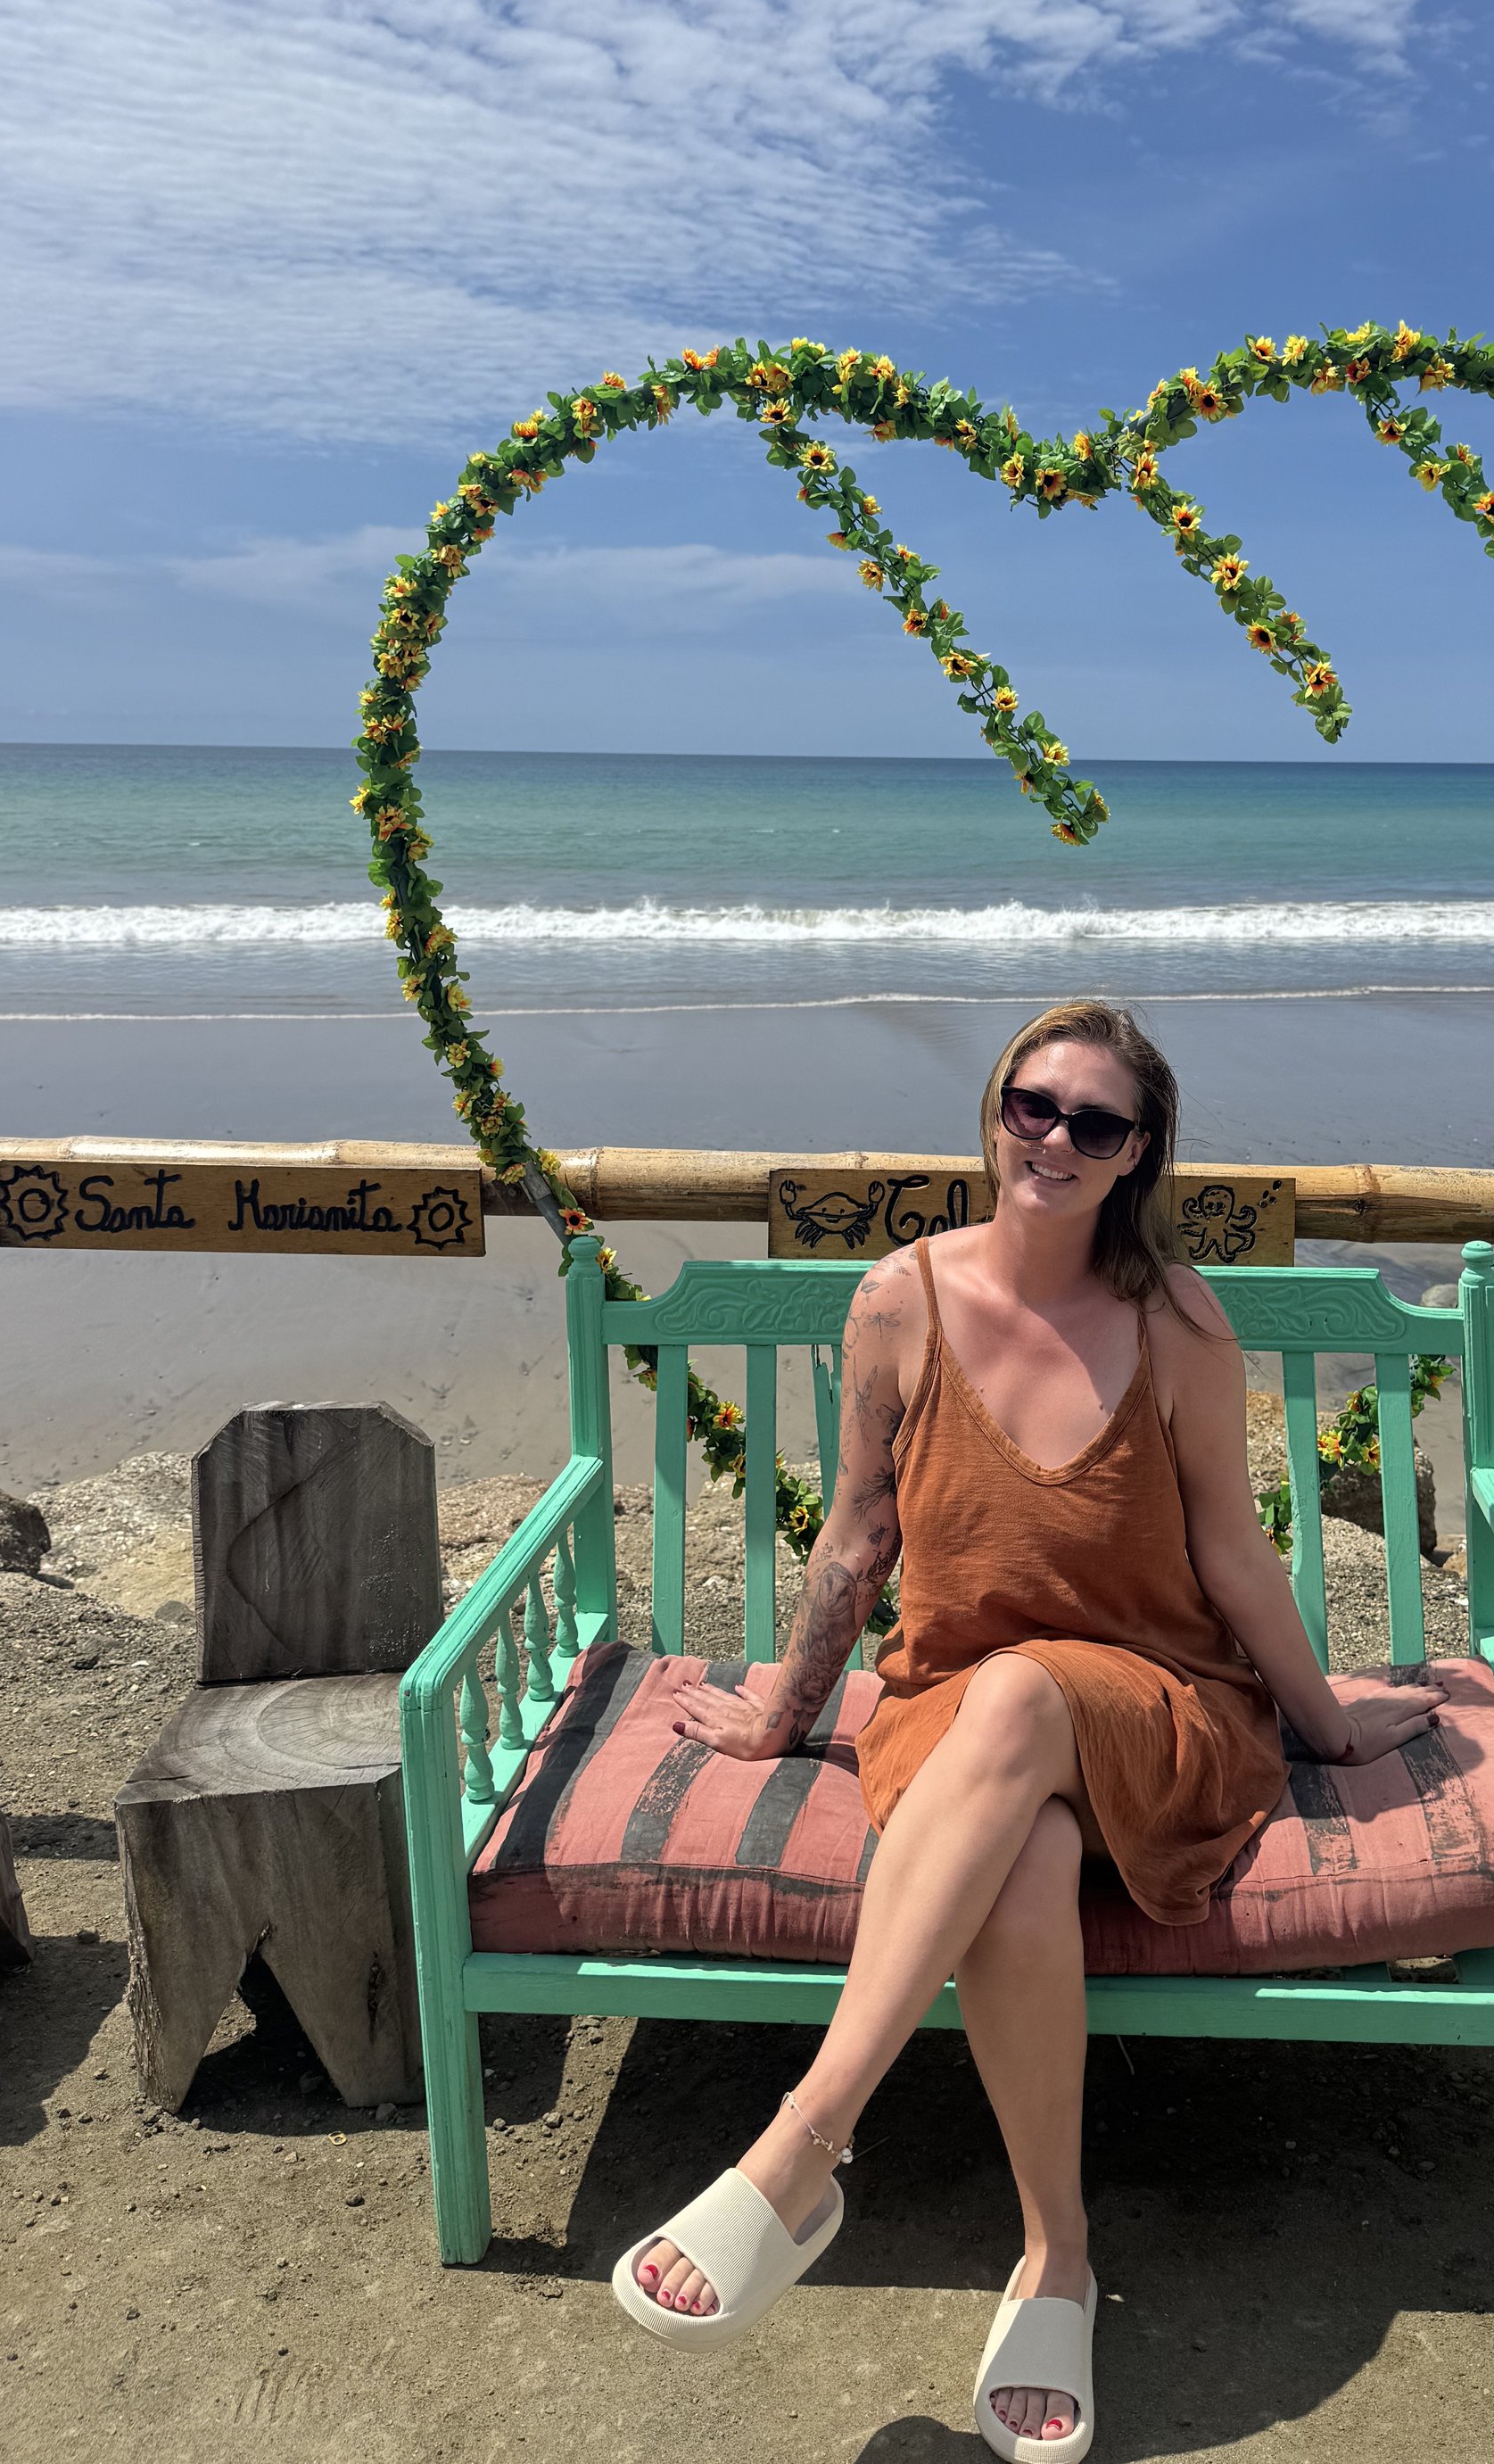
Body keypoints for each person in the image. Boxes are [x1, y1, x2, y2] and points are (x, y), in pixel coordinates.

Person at [613, 999, 1445, 2459]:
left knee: (1024, 1698)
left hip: (1165, 1704)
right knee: (1023, 1846)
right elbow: (856, 1542)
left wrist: (1326, 1724)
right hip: (956, 1721)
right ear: (996, 1112)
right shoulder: (899, 1302)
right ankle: (1055, 2254)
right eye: (1033, 1105)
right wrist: (774, 1719)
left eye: (1097, 1122)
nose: (1056, 1138)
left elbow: (1236, 1557)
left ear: (1139, 1155)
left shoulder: (1177, 1320)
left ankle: (800, 2147)